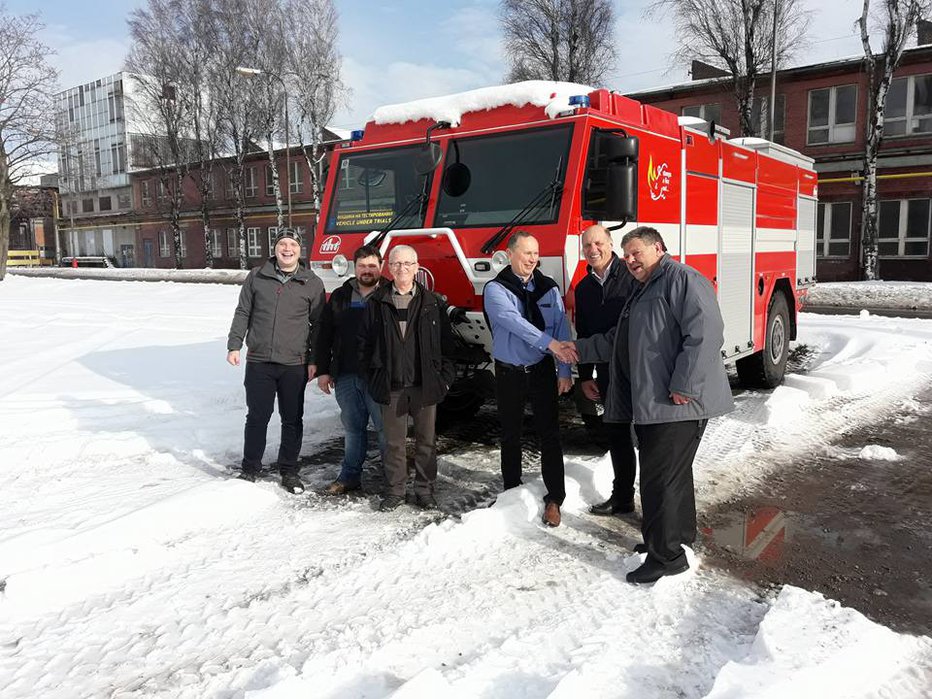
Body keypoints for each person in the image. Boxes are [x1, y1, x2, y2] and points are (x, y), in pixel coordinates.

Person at [555, 226, 734, 583]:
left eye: (637, 252)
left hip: (676, 401)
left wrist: (685, 383)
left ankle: (666, 557)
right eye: (627, 254)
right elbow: (618, 339)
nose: (631, 260)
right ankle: (676, 539)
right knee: (673, 475)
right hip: (658, 402)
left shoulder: (682, 280)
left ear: (658, 248)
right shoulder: (643, 289)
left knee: (658, 479)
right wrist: (577, 349)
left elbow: (706, 331)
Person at [483, 230, 573, 528]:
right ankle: (511, 493)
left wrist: (564, 371)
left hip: (542, 372)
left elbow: (561, 327)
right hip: (509, 372)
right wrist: (550, 345)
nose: (533, 258)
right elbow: (514, 322)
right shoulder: (496, 290)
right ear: (510, 254)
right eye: (527, 253)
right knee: (510, 434)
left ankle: (555, 499)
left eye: (536, 253)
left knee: (550, 435)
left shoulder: (548, 288)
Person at [358, 244, 456, 512]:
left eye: (408, 264)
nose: (402, 269)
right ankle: (395, 491)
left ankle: (424, 490)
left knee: (426, 442)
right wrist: (374, 377)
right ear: (389, 268)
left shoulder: (432, 303)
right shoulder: (376, 303)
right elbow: (363, 347)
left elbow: (449, 347)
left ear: (417, 267)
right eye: (397, 264)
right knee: (393, 444)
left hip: (424, 387)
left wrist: (443, 380)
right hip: (391, 387)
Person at [227, 228, 326, 494]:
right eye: (282, 244)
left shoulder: (312, 282)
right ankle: (250, 469)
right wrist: (234, 344)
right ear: (275, 248)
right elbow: (243, 311)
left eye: (292, 244)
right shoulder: (257, 276)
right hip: (260, 361)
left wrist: (315, 359)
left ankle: (289, 471)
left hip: (295, 363)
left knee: (292, 419)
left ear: (299, 250)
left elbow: (319, 326)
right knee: (257, 416)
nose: (287, 249)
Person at [573, 224, 638, 516]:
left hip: (638, 370)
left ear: (611, 244)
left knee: (648, 438)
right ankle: (623, 498)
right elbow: (584, 334)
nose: (593, 250)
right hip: (609, 373)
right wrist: (586, 376)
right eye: (587, 245)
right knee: (617, 434)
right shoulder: (584, 289)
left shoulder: (633, 277)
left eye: (598, 243)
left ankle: (657, 506)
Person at [315, 245, 388, 495]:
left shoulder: (390, 294)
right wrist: (323, 371)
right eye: (362, 266)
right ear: (354, 267)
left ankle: (393, 480)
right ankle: (349, 477)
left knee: (385, 430)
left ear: (381, 266)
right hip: (346, 375)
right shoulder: (340, 296)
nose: (367, 271)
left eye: (372, 266)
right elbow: (324, 335)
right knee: (353, 429)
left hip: (379, 376)